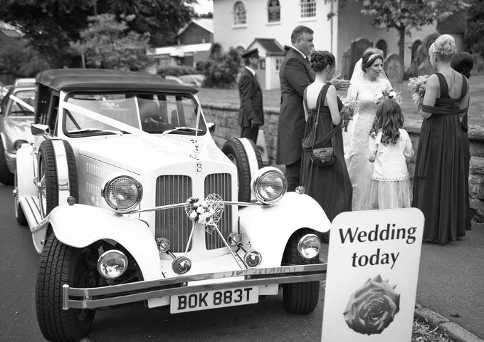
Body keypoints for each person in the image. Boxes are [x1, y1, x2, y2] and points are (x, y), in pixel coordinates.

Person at [412, 34, 470, 244]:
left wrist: (420, 96)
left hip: (436, 131)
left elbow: (426, 112)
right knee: (449, 175)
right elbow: (463, 109)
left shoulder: (435, 79)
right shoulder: (463, 80)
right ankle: (449, 227)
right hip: (453, 131)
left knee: (432, 173)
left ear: (435, 54)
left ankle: (432, 228)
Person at [277, 25, 349, 191]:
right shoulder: (293, 61)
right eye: (309, 40)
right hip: (296, 123)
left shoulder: (300, 58)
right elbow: (306, 89)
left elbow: (313, 86)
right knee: (294, 172)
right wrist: (329, 86)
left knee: (304, 172)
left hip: (305, 122)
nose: (312, 44)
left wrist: (329, 85)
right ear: (297, 40)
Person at [300, 51, 352, 220]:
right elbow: (336, 120)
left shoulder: (307, 90)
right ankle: (333, 220)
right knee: (337, 183)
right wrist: (346, 111)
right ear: (328, 67)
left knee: (314, 181)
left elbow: (307, 117)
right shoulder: (328, 89)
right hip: (328, 139)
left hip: (312, 140)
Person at [345, 50, 392, 210]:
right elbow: (350, 109)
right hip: (362, 129)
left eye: (381, 65)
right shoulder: (356, 84)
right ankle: (357, 206)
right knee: (362, 168)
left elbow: (392, 106)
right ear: (366, 67)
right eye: (376, 65)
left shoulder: (385, 84)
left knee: (378, 166)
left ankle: (377, 205)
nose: (380, 68)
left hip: (380, 128)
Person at [367, 99, 414, 209]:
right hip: (400, 176)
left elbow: (371, 157)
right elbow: (409, 154)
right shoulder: (403, 133)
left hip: (382, 177)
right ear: (398, 115)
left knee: (382, 208)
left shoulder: (375, 134)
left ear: (379, 115)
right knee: (399, 206)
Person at [451, 51, 474, 231]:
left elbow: (460, 111)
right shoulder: (465, 82)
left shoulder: (458, 82)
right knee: (460, 175)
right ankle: (459, 217)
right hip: (462, 135)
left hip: (455, 131)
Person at [238, 48, 263, 143]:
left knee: (250, 148)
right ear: (251, 60)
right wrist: (253, 118)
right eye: (256, 58)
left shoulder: (251, 74)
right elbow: (246, 100)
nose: (258, 60)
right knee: (246, 149)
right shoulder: (246, 76)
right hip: (249, 120)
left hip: (252, 120)